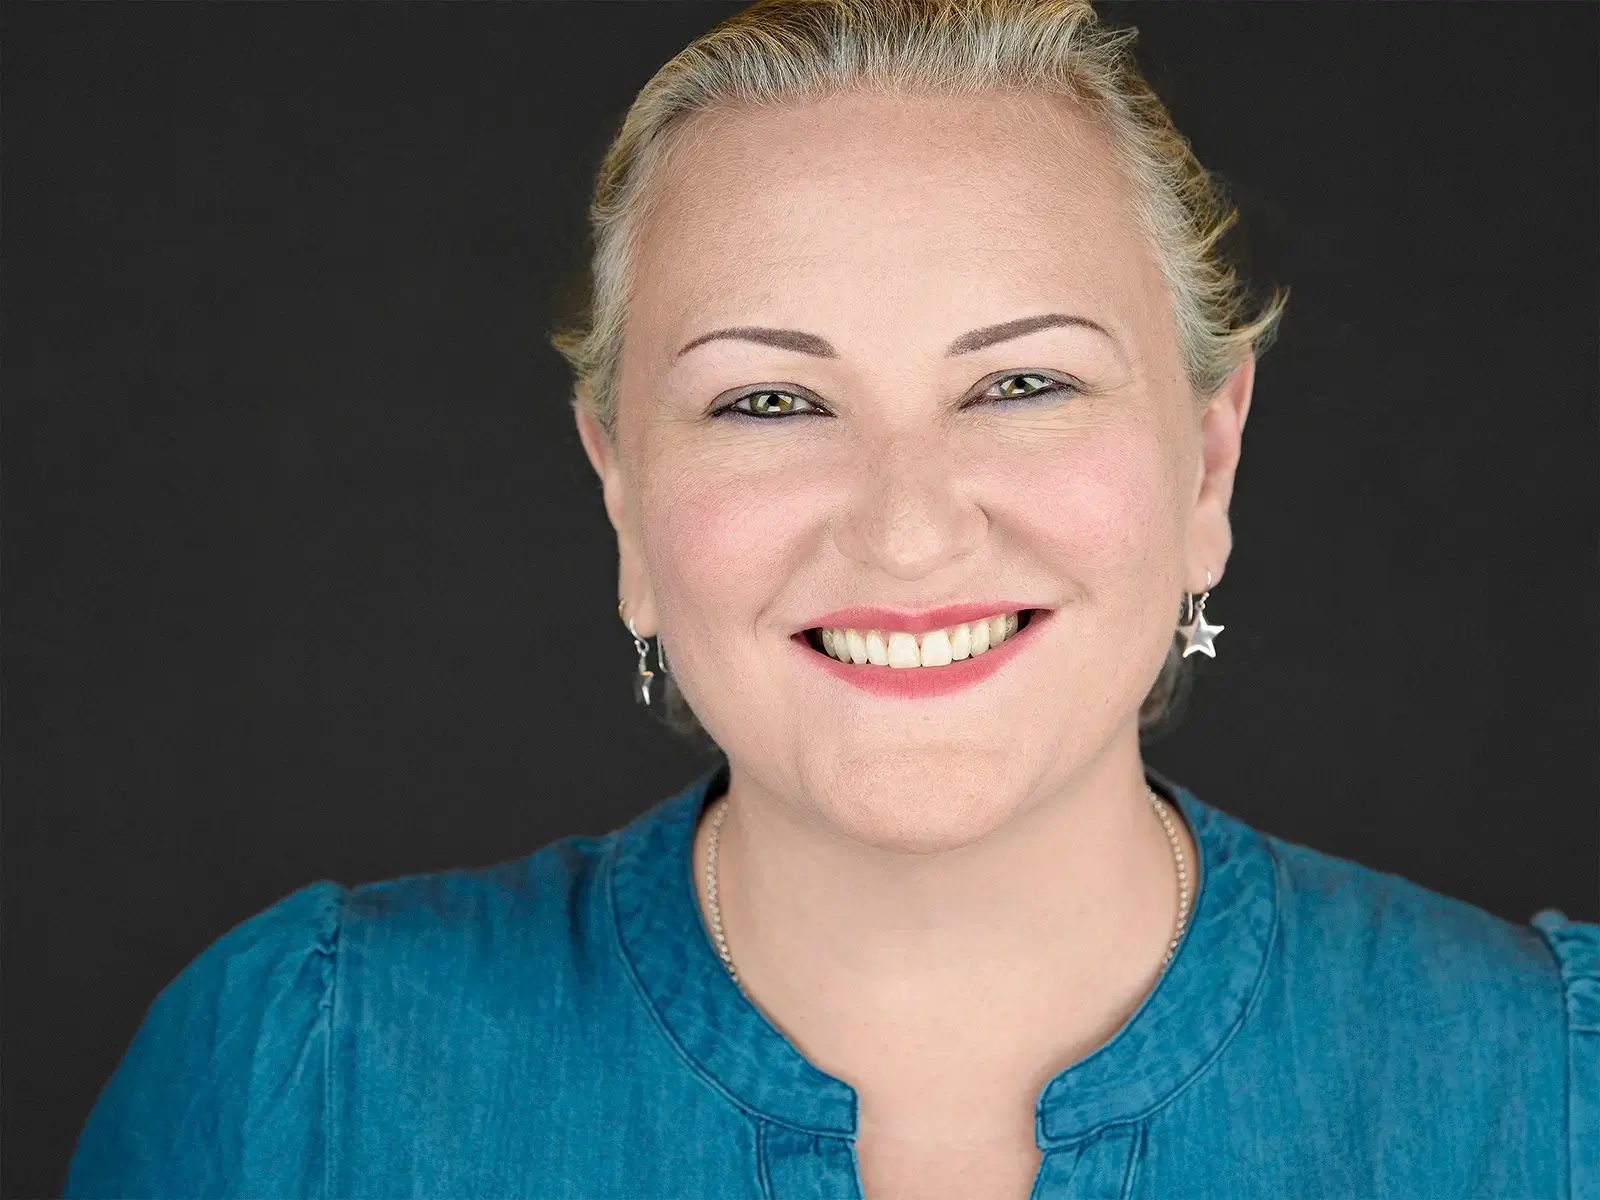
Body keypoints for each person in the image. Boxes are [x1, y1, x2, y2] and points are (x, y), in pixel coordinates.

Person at [66, 1, 1595, 1197]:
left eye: (1023, 382)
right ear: (622, 490)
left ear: (1207, 462)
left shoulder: (1557, 1093)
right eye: (770, 402)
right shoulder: (302, 1077)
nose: (909, 531)